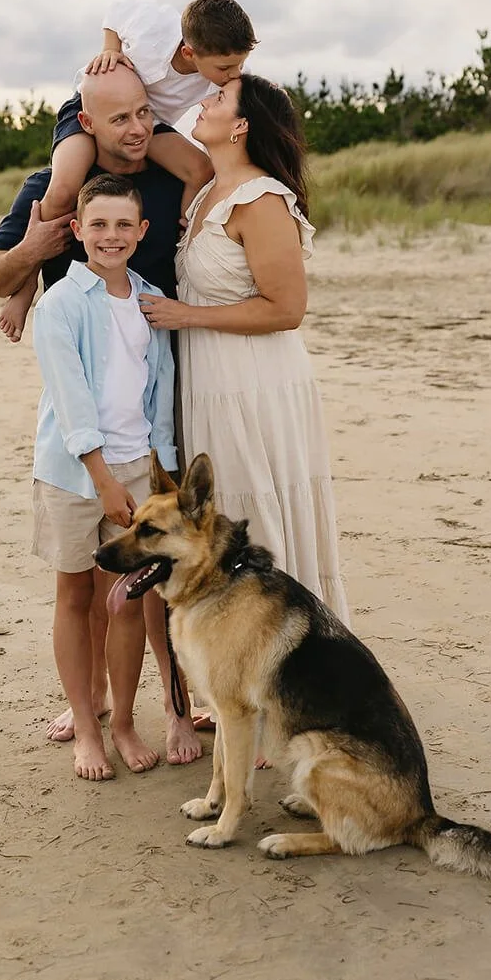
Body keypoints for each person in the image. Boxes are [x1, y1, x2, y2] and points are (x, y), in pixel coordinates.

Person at [0, 64, 203, 760]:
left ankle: (173, 709)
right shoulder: (51, 195)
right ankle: (98, 704)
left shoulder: (169, 178)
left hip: (161, 389)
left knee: (149, 582)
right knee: (91, 582)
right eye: (121, 119)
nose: (138, 129)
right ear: (85, 124)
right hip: (87, 426)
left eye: (145, 115)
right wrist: (31, 263)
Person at [139, 73, 350, 625]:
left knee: (258, 510)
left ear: (241, 126)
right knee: (222, 516)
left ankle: (286, 653)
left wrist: (189, 316)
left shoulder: (261, 199)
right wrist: (114, 52)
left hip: (255, 381)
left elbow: (287, 308)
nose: (203, 101)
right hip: (208, 381)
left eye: (218, 98)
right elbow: (135, 119)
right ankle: (236, 663)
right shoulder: (208, 187)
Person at [31, 172, 199, 780]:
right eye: (98, 224)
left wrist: (166, 473)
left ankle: (124, 722)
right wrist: (101, 476)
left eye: (123, 224)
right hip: (75, 472)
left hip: (135, 472)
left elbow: (158, 398)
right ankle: (86, 726)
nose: (111, 235)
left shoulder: (149, 300)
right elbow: (72, 400)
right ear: (77, 230)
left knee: (129, 603)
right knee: (76, 594)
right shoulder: (60, 305)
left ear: (142, 231)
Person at [0, 0, 258, 343]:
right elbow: (117, 11)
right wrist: (110, 48)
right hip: (90, 111)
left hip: (147, 121)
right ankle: (26, 284)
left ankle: (185, 237)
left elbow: (246, 94)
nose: (233, 74)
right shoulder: (157, 31)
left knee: (199, 168)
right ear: (189, 53)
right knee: (62, 188)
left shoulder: (221, 72)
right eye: (226, 68)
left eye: (239, 65)